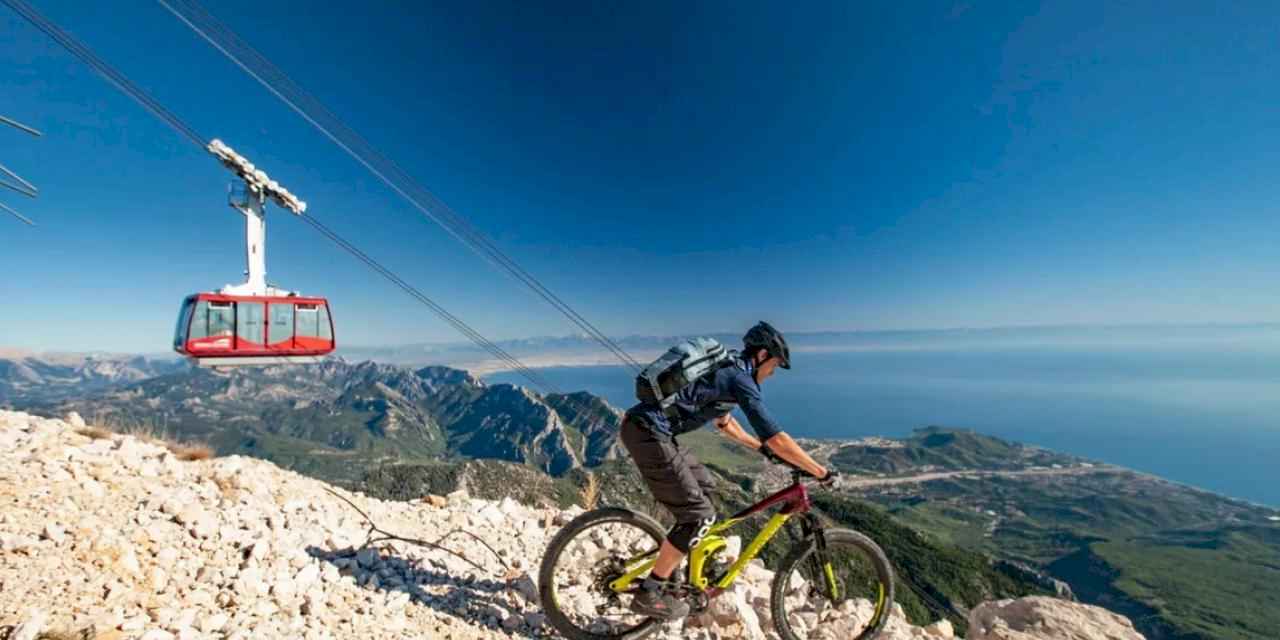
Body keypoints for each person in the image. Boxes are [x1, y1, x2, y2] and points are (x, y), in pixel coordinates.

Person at [620, 321, 838, 620]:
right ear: (762, 356)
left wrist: (759, 449)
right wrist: (820, 471)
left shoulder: (727, 369)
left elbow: (725, 423)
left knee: (706, 485)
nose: (773, 373)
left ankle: (690, 567)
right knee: (698, 516)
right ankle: (650, 591)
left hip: (651, 432)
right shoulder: (740, 378)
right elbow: (776, 436)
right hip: (649, 435)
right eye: (774, 365)